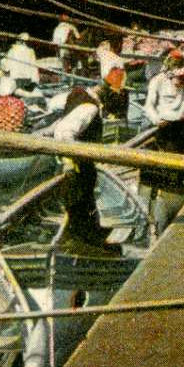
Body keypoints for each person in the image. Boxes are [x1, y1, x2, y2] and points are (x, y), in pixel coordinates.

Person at [139, 48, 184, 235]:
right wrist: (156, 119)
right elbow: (149, 105)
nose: (180, 83)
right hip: (164, 125)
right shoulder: (158, 81)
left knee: (178, 159)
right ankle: (162, 202)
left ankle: (171, 200)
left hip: (182, 125)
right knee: (166, 161)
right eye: (177, 79)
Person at [44, 81, 118, 252]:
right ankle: (81, 241)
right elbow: (64, 132)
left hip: (79, 160)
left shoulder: (78, 95)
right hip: (77, 162)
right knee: (80, 200)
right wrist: (72, 158)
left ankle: (89, 234)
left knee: (84, 199)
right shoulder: (89, 108)